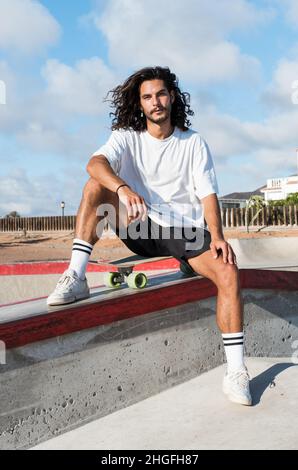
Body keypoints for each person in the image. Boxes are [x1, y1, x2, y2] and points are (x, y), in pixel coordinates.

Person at [47, 66, 252, 406]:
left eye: (160, 94)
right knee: (96, 183)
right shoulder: (126, 136)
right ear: (139, 104)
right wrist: (123, 188)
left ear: (172, 97)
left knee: (229, 272)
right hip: (139, 225)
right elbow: (94, 163)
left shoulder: (193, 142)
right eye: (147, 97)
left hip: (184, 231)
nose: (155, 102)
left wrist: (217, 235)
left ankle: (235, 372)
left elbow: (207, 195)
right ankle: (76, 275)